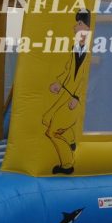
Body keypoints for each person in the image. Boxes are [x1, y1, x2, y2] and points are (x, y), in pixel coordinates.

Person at [42, 10, 91, 174]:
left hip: (74, 98)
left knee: (52, 132)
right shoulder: (75, 48)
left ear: (88, 28)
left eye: (79, 24)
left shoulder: (89, 52)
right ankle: (70, 140)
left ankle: (67, 164)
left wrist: (76, 97)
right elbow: (68, 70)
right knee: (46, 118)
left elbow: (85, 78)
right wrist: (58, 83)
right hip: (66, 93)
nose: (75, 27)